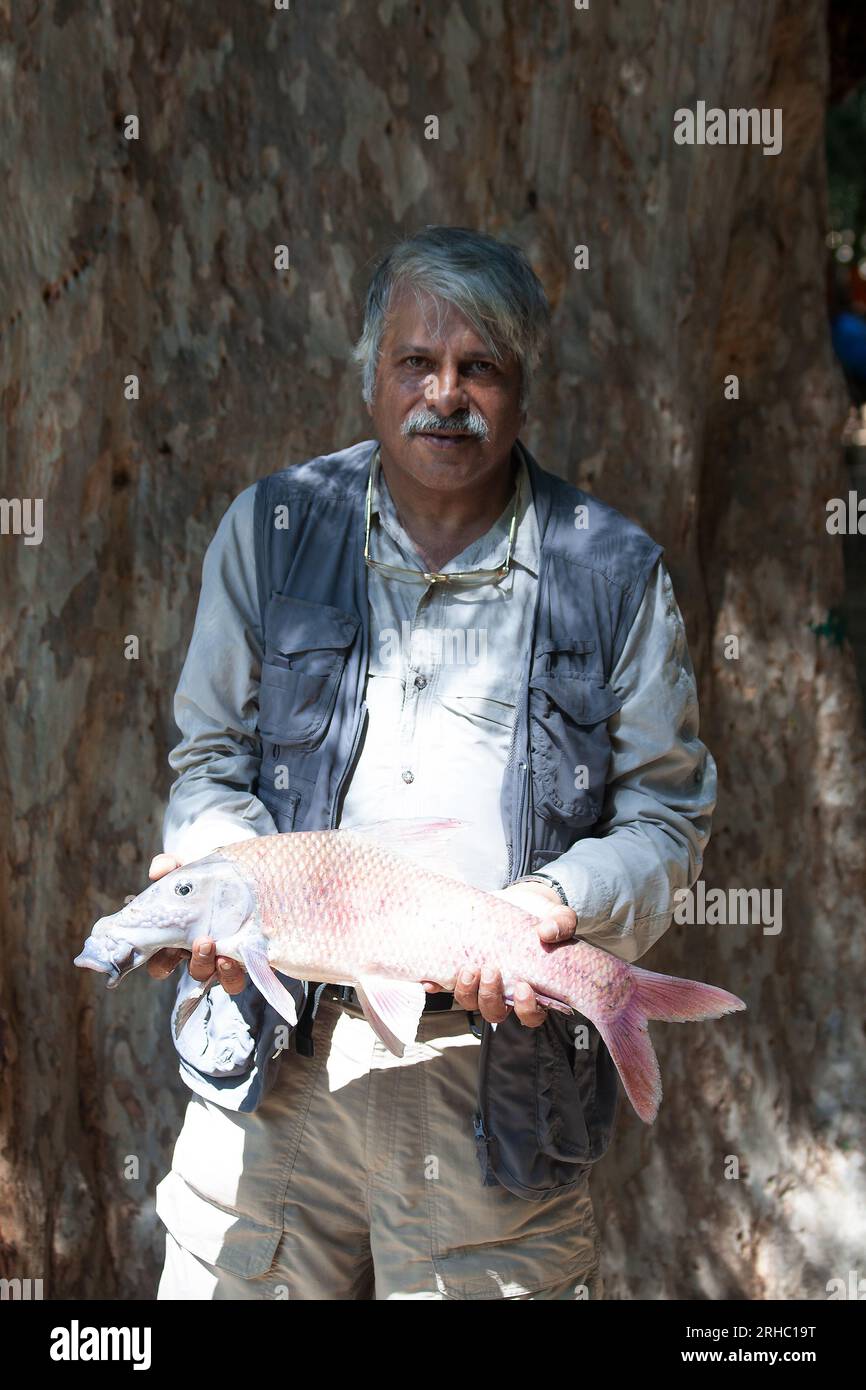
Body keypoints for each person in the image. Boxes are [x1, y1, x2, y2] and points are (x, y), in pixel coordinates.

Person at [148, 225, 717, 1300]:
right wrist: (226, 879)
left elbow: (664, 816)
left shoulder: (609, 572)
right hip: (276, 1064)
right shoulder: (271, 530)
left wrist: (550, 906)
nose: (442, 394)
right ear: (371, 374)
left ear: (520, 389)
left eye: (478, 368)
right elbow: (208, 757)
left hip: (490, 1077)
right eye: (416, 361)